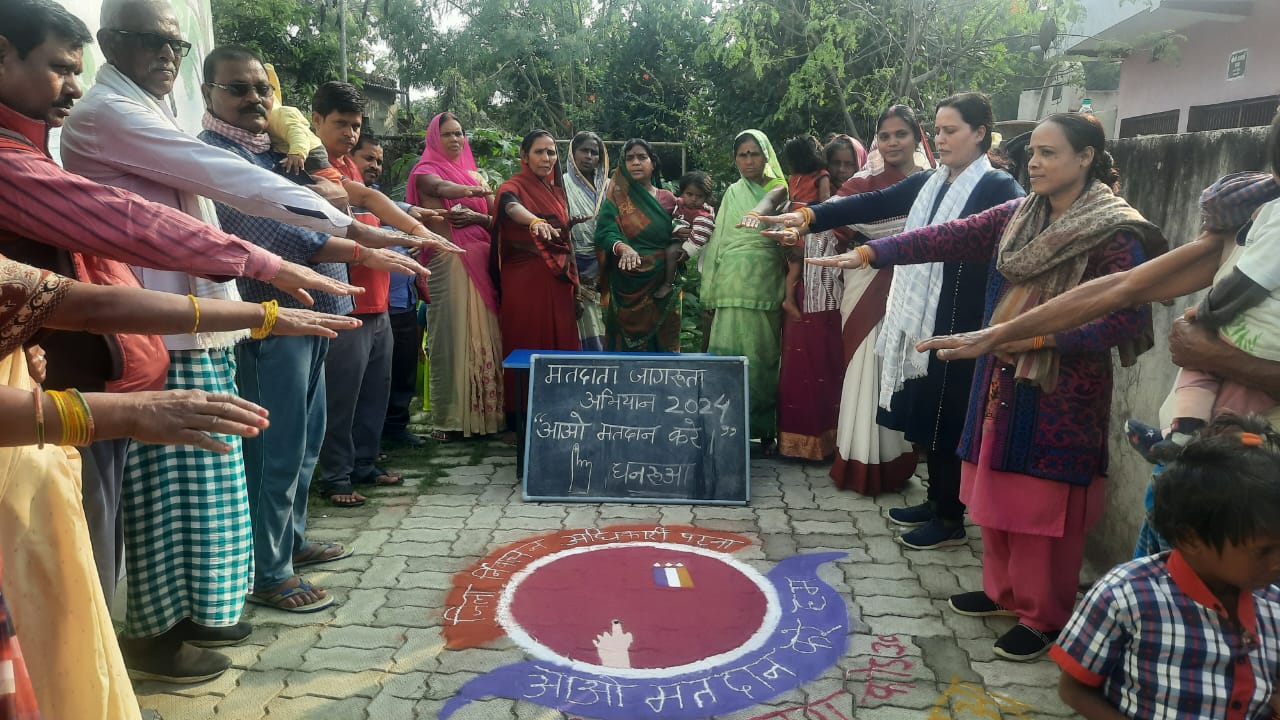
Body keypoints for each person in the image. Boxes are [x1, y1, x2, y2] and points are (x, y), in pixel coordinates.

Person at [807, 112, 1166, 660]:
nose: (1035, 163)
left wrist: (1040, 340)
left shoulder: (1114, 231)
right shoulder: (1022, 214)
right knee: (995, 492)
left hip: (1061, 394)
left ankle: (1046, 616)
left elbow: (1125, 319)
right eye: (1034, 153)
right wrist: (870, 252)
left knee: (1042, 508)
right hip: (1000, 377)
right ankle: (1005, 593)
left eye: (1050, 153)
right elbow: (947, 235)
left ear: (1086, 157)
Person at [0, 253, 355, 720]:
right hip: (30, 457)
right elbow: (95, 299)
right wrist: (126, 413)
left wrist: (262, 314)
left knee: (74, 582)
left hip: (33, 454)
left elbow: (86, 305)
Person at [196, 45, 431, 616]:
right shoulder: (216, 155)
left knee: (304, 445)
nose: (254, 99)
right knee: (274, 451)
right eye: (238, 89)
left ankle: (292, 542)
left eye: (261, 89)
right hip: (270, 320)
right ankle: (267, 571)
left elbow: (332, 197)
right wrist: (369, 247)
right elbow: (271, 235)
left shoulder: (277, 150)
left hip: (314, 316)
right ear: (208, 95)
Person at [762, 92, 1023, 547]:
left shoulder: (998, 187)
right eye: (937, 130)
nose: (940, 139)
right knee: (930, 408)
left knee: (951, 413)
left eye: (951, 130)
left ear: (980, 133)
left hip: (966, 313)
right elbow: (866, 205)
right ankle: (939, 501)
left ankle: (950, 518)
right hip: (926, 314)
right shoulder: (933, 182)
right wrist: (806, 215)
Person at [1053, 414, 1280, 719]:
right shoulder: (1124, 596)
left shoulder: (1273, 603)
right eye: (1264, 550)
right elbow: (1073, 689)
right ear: (1191, 539)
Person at [826, 104, 927, 493]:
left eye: (900, 134)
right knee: (865, 363)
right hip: (866, 278)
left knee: (897, 366)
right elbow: (834, 221)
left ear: (917, 138)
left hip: (914, 284)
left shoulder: (933, 182)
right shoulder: (861, 184)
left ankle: (895, 458)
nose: (892, 142)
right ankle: (858, 459)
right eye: (884, 135)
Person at [407, 112, 504, 442]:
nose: (455, 139)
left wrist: (480, 196)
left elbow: (493, 214)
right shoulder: (425, 171)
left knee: (486, 333)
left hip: (481, 260)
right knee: (451, 335)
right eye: (447, 133)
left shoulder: (474, 173)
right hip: (448, 262)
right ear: (434, 138)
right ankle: (449, 418)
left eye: (459, 133)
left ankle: (488, 416)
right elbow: (438, 188)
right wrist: (471, 188)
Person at [702, 129, 790, 454]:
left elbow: (770, 204)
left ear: (767, 155)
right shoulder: (732, 193)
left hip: (764, 281)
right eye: (742, 154)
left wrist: (755, 214)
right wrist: (709, 290)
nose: (748, 160)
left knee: (762, 358)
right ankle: (723, 427)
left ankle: (764, 432)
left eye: (755, 153)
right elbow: (719, 242)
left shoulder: (778, 187)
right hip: (729, 283)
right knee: (726, 354)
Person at [495, 129, 581, 419]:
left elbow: (565, 237)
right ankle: (520, 416)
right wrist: (534, 221)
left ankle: (562, 412)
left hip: (558, 279)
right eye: (539, 152)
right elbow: (510, 207)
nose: (546, 158)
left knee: (562, 340)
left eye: (551, 152)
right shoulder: (512, 185)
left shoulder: (558, 191)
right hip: (525, 280)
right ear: (524, 156)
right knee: (527, 339)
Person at [352, 134, 428, 448]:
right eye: (368, 159)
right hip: (368, 302)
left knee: (402, 369)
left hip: (401, 300)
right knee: (368, 379)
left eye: (379, 161)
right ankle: (366, 440)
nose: (375, 166)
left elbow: (399, 210)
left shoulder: (379, 199)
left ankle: (395, 428)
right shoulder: (347, 200)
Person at [775, 134, 840, 461]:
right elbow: (826, 205)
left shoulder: (792, 178)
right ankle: (789, 297)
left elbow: (789, 199)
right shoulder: (821, 176)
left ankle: (788, 297)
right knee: (799, 267)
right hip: (808, 230)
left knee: (791, 270)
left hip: (789, 225)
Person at [594, 137, 683, 352]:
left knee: (664, 346)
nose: (635, 162)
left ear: (653, 163)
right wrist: (623, 247)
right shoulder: (616, 198)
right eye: (629, 158)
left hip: (663, 281)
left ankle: (666, 386)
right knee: (622, 351)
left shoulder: (668, 199)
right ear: (623, 166)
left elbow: (688, 223)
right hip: (626, 281)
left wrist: (685, 234)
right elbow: (605, 230)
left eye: (642, 157)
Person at [563, 130, 609, 350]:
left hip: (606, 263)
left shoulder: (610, 187)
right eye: (584, 150)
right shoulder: (561, 184)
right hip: (574, 261)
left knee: (604, 323)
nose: (589, 156)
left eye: (595, 152)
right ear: (573, 153)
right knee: (580, 322)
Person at [668, 170, 717, 268]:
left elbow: (700, 238)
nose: (694, 199)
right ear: (682, 193)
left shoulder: (703, 216)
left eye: (699, 196)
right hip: (671, 237)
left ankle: (668, 282)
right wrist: (675, 228)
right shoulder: (678, 204)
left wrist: (688, 250)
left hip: (688, 244)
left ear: (706, 198)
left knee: (671, 252)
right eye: (689, 194)